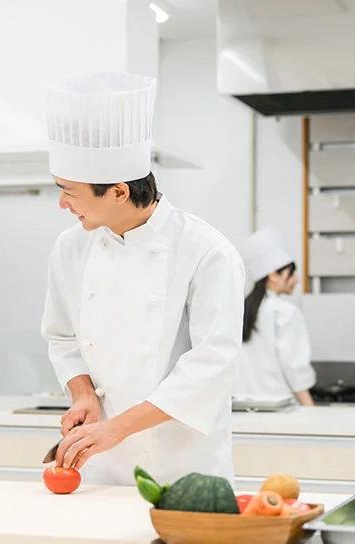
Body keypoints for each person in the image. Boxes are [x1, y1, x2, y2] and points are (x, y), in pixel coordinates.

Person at [41, 71, 246, 486]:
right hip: (98, 461)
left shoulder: (207, 251)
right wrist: (82, 393)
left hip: (181, 465)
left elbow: (210, 366)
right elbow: (62, 337)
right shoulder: (71, 247)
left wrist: (117, 428)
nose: (61, 203)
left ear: (118, 192)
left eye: (69, 191)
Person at [235, 228, 316, 405]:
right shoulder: (285, 312)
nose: (297, 279)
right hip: (279, 404)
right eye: (291, 273)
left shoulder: (239, 309)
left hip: (241, 405)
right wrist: (310, 406)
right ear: (273, 275)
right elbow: (294, 366)